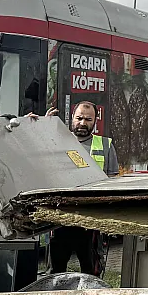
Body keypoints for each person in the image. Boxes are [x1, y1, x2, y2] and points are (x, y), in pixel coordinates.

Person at [48, 102, 118, 276]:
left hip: (91, 219)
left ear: (95, 121)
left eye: (88, 119)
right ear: (72, 118)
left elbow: (113, 182)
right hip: (61, 217)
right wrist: (44, 125)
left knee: (91, 270)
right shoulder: (57, 142)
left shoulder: (105, 145)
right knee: (56, 271)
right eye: (79, 118)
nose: (82, 123)